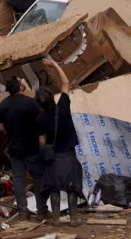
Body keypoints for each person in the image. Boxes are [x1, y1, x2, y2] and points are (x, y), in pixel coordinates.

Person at [36, 58, 83, 226]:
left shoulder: (40, 119)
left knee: (53, 187)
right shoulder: (63, 106)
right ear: (52, 97)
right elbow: (65, 82)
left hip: (53, 158)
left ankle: (56, 218)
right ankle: (74, 218)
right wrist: (55, 65)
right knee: (72, 186)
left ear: (39, 104)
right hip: (69, 155)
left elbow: (41, 141)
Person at [0, 77, 48, 221]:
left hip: (14, 148)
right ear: (20, 88)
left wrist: (10, 129)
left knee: (19, 180)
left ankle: (22, 213)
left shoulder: (3, 105)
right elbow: (40, 122)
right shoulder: (30, 102)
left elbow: (0, 127)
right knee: (38, 178)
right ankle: (41, 211)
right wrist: (41, 138)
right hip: (32, 147)